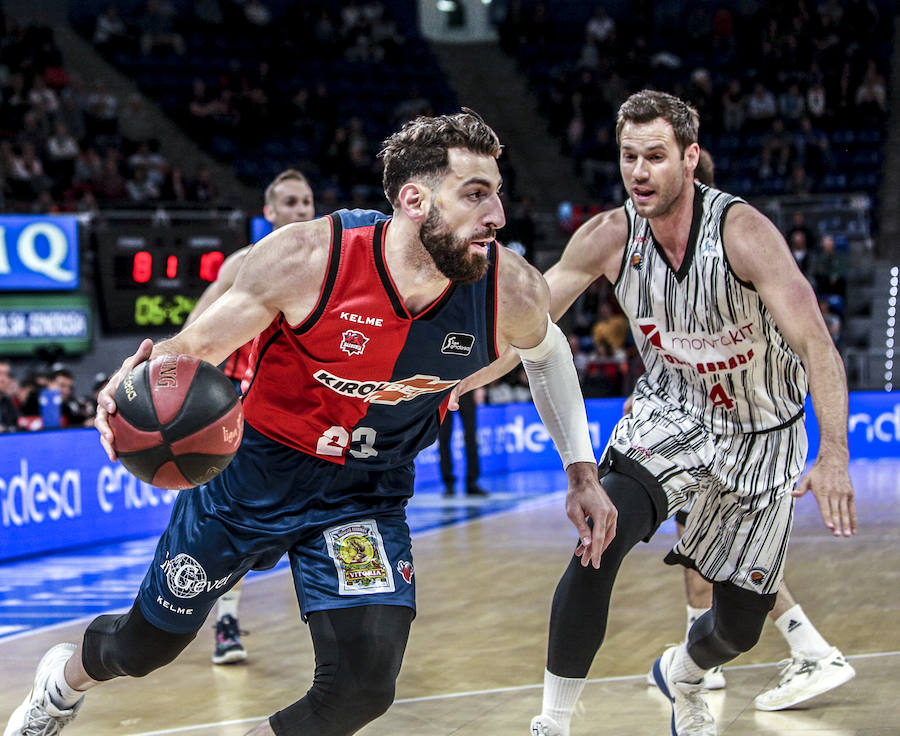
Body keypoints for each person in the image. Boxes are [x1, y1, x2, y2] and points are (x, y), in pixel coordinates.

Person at [5, 110, 607, 736]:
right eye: (476, 195)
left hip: (363, 495)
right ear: (413, 198)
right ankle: (60, 685)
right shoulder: (307, 258)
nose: (498, 218)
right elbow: (193, 349)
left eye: (498, 195)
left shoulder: (506, 286)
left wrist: (581, 472)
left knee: (363, 685)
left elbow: (550, 353)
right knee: (141, 650)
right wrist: (125, 392)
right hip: (251, 477)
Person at [461, 91, 856, 736]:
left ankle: (684, 672)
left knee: (739, 626)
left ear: (690, 159)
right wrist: (446, 386)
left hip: (764, 439)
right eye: (628, 157)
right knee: (601, 535)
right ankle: (553, 723)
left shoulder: (745, 234)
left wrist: (833, 453)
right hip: (671, 420)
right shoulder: (608, 236)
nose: (639, 172)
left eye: (655, 157)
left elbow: (816, 343)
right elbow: (523, 330)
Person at [637, 149, 856, 710]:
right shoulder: (695, 251)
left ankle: (807, 652)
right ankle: (754, 653)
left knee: (720, 553)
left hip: (744, 431)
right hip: (736, 427)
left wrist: (834, 454)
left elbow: (815, 348)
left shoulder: (730, 250)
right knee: (714, 550)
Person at [183, 168, 316, 665]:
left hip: (304, 414)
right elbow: (194, 330)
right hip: (243, 410)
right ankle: (226, 621)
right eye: (290, 202)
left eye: (306, 202)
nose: (301, 210)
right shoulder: (243, 264)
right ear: (268, 212)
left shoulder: (329, 266)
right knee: (236, 525)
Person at [438, 387, 487, 497]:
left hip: (466, 387)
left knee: (471, 437)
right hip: (444, 389)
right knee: (444, 438)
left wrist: (479, 387)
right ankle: (448, 483)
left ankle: (472, 481)